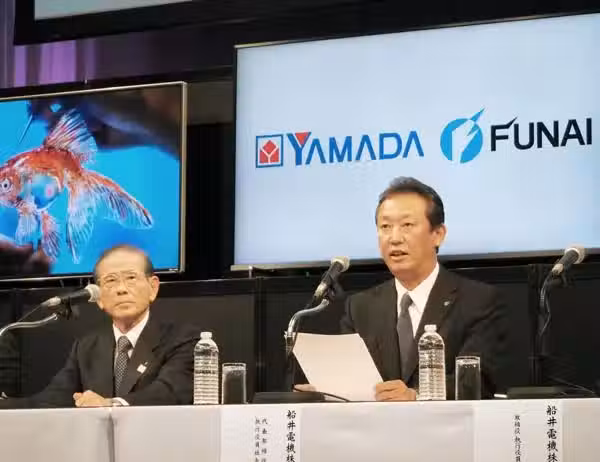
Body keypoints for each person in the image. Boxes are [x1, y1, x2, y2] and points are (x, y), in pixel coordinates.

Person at [298, 177, 507, 400]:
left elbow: (478, 381)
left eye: (407, 225)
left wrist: (416, 395)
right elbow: (350, 381)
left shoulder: (477, 300)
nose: (394, 238)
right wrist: (328, 392)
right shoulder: (360, 307)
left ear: (438, 234)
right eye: (385, 227)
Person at [1, 244, 198, 408]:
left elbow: (170, 392)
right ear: (99, 297)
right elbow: (52, 400)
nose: (121, 289)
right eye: (111, 281)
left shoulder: (183, 339)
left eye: (131, 278)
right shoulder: (87, 347)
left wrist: (111, 404)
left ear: (153, 287)